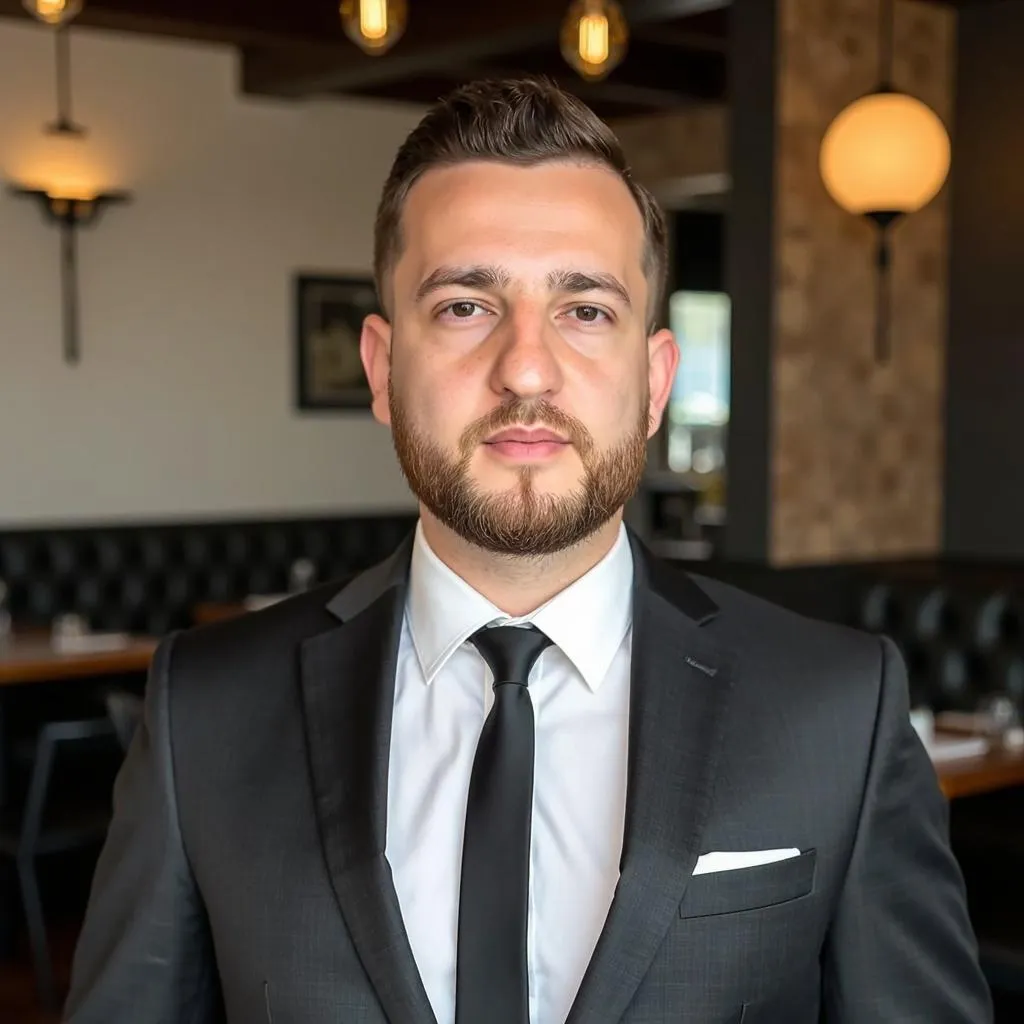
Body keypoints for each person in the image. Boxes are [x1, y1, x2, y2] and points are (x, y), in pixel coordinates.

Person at [64, 77, 991, 1024]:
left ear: (654, 382)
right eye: (465, 306)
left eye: (585, 310)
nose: (526, 370)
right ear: (383, 368)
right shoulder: (203, 712)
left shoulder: (838, 710)